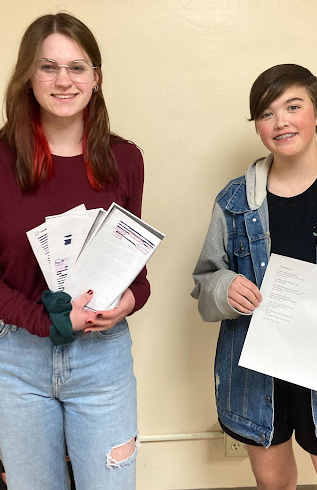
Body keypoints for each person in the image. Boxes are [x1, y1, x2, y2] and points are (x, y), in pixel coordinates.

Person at [191, 64, 317, 490]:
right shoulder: (234, 201)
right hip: (256, 382)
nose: (280, 122)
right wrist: (224, 288)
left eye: (292, 107)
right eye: (266, 113)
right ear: (258, 126)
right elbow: (205, 285)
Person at [0, 13, 150, 490]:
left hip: (102, 359)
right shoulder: (1, 161)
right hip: (17, 359)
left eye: (77, 67)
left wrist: (128, 301)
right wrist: (46, 320)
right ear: (27, 76)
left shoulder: (125, 158)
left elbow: (137, 271)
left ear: (96, 78)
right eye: (48, 67)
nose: (64, 80)